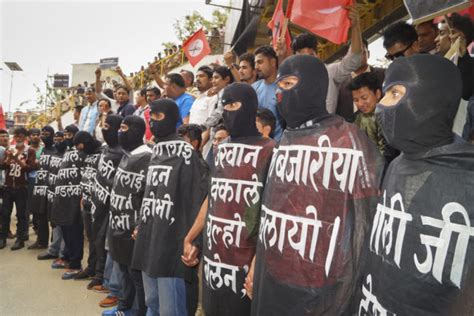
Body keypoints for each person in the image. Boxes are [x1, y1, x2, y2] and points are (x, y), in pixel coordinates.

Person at [250, 55, 384, 315]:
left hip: (323, 285)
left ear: (312, 86)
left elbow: (366, 224)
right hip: (277, 278)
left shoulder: (349, 140)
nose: (280, 93)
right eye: (279, 86)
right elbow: (269, 214)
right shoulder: (285, 141)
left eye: (289, 83)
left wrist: (346, 291)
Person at [355, 54, 474, 315]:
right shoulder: (398, 164)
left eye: (395, 94)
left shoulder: (468, 177)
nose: (381, 106)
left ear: (430, 99)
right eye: (385, 94)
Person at [182, 83, 276, 316]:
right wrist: (191, 237)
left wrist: (258, 263)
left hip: (247, 264)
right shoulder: (221, 149)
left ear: (251, 107)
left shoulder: (271, 151)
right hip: (215, 261)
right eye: (224, 106)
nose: (228, 111)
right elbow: (212, 198)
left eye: (234, 105)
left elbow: (273, 215)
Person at [132, 99, 208, 316]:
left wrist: (195, 241)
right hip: (149, 237)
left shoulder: (186, 153)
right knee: (152, 301)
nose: (154, 123)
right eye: (151, 118)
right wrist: (141, 224)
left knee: (170, 308)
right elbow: (149, 193)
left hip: (172, 244)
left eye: (159, 117)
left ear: (172, 118)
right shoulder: (154, 151)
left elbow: (200, 198)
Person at [279, 5, 364, 115]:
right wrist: (281, 56)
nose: (307, 63)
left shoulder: (330, 72)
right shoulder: (291, 80)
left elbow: (354, 59)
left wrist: (355, 27)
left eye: (310, 56)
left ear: (317, 55)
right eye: (302, 58)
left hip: (326, 131)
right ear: (295, 58)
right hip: (299, 131)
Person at [104, 115, 150, 316]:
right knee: (122, 269)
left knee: (135, 275)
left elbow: (148, 195)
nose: (119, 132)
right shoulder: (126, 154)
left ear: (136, 131)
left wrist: (139, 224)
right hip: (117, 226)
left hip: (133, 229)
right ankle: (124, 307)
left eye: (124, 128)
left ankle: (137, 311)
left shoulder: (147, 157)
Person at [88, 115, 123, 290]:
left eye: (108, 126)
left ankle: (106, 279)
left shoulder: (122, 152)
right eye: (104, 125)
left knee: (105, 242)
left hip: (111, 206)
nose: (104, 129)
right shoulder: (105, 149)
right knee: (97, 239)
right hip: (98, 202)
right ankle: (98, 273)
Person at [74, 131, 103, 282]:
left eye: (79, 144)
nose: (79, 148)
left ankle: (99, 273)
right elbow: (86, 175)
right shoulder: (87, 153)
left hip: (97, 204)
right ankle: (91, 268)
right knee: (91, 238)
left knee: (98, 239)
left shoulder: (103, 152)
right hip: (85, 201)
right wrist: (82, 196)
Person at [0, 131, 37, 250]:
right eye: (16, 136)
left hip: (22, 187)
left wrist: (16, 159)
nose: (18, 138)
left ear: (25, 137)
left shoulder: (29, 151)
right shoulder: (9, 149)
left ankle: (20, 239)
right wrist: (8, 159)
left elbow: (30, 168)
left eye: (21, 136)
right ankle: (3, 238)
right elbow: (3, 167)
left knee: (21, 215)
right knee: (5, 214)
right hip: (8, 187)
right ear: (14, 137)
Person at [336, 39, 385, 121]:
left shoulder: (384, 75)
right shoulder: (340, 86)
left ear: (368, 54)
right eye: (353, 54)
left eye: (361, 52)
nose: (357, 57)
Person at [37, 132, 67, 262]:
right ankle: (54, 249)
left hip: (62, 195)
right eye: (56, 140)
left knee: (61, 224)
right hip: (51, 193)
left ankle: (60, 252)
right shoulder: (53, 154)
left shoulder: (68, 155)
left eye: (61, 140)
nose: (58, 142)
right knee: (54, 223)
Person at [28, 126, 57, 250]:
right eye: (43, 133)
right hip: (40, 187)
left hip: (52, 189)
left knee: (54, 218)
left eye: (47, 133)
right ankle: (41, 241)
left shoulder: (57, 150)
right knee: (40, 215)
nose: (44, 136)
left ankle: (54, 245)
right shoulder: (43, 150)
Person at [347, 72, 388, 156]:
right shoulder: (353, 120)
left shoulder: (388, 119)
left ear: (377, 94)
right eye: (356, 100)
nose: (360, 104)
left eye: (364, 98)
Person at [252, 46, 283, 140]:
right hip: (257, 147)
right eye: (255, 63)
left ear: (273, 62)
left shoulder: (284, 88)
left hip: (278, 146)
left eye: (260, 62)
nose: (256, 67)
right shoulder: (253, 88)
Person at [188, 66, 219, 156]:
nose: (197, 79)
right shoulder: (198, 99)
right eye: (196, 76)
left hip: (205, 148)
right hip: (193, 146)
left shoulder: (213, 97)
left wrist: (199, 146)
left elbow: (210, 125)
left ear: (210, 80)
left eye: (201, 76)